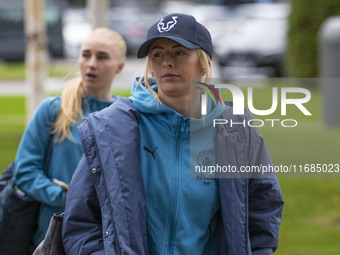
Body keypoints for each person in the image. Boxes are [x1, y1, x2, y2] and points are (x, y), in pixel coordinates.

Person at [62, 14, 284, 254]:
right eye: (157, 54)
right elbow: (81, 222)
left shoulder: (237, 131)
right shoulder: (112, 128)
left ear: (204, 62)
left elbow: (263, 213)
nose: (167, 62)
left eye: (179, 52)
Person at [14, 27, 127, 248]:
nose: (91, 63)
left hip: (103, 242)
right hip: (52, 238)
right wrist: (68, 198)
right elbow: (25, 172)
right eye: (86, 55)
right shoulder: (53, 109)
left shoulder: (125, 116)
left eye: (102, 57)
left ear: (120, 67)